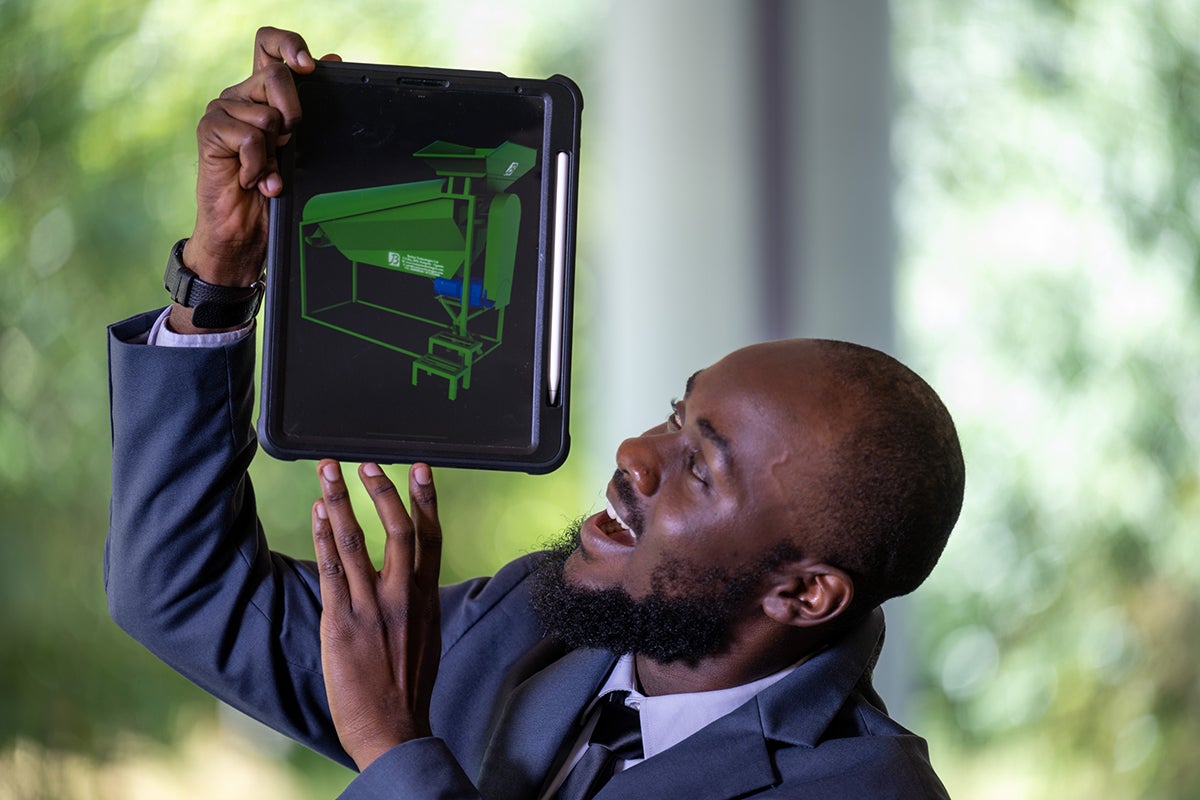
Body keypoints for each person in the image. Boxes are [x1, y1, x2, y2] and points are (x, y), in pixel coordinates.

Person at [105, 27, 965, 800]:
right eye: (675, 413)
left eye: (701, 466)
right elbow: (180, 591)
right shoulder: (531, 619)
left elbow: (391, 745)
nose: (635, 453)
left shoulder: (869, 789)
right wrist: (217, 280)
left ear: (806, 593)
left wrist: (395, 747)